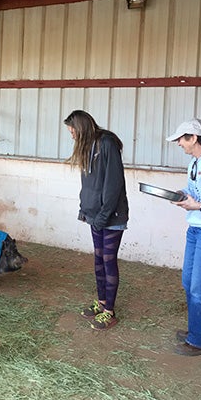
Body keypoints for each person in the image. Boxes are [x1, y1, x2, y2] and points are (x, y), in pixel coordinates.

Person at [64, 110, 128, 330]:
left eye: (72, 130)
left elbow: (114, 183)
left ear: (80, 127)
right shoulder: (87, 147)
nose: (71, 135)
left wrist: (102, 216)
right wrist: (85, 208)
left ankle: (109, 312)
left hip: (111, 216)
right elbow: (88, 183)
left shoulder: (107, 143)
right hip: (95, 215)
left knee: (109, 261)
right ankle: (101, 303)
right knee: (99, 260)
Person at [167, 118, 201, 356]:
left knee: (198, 288)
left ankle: (198, 340)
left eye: (181, 139)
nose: (179, 143)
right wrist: (182, 195)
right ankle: (197, 328)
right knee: (188, 282)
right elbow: (193, 192)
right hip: (194, 228)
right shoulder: (194, 163)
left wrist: (199, 206)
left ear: (193, 137)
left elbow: (200, 202)